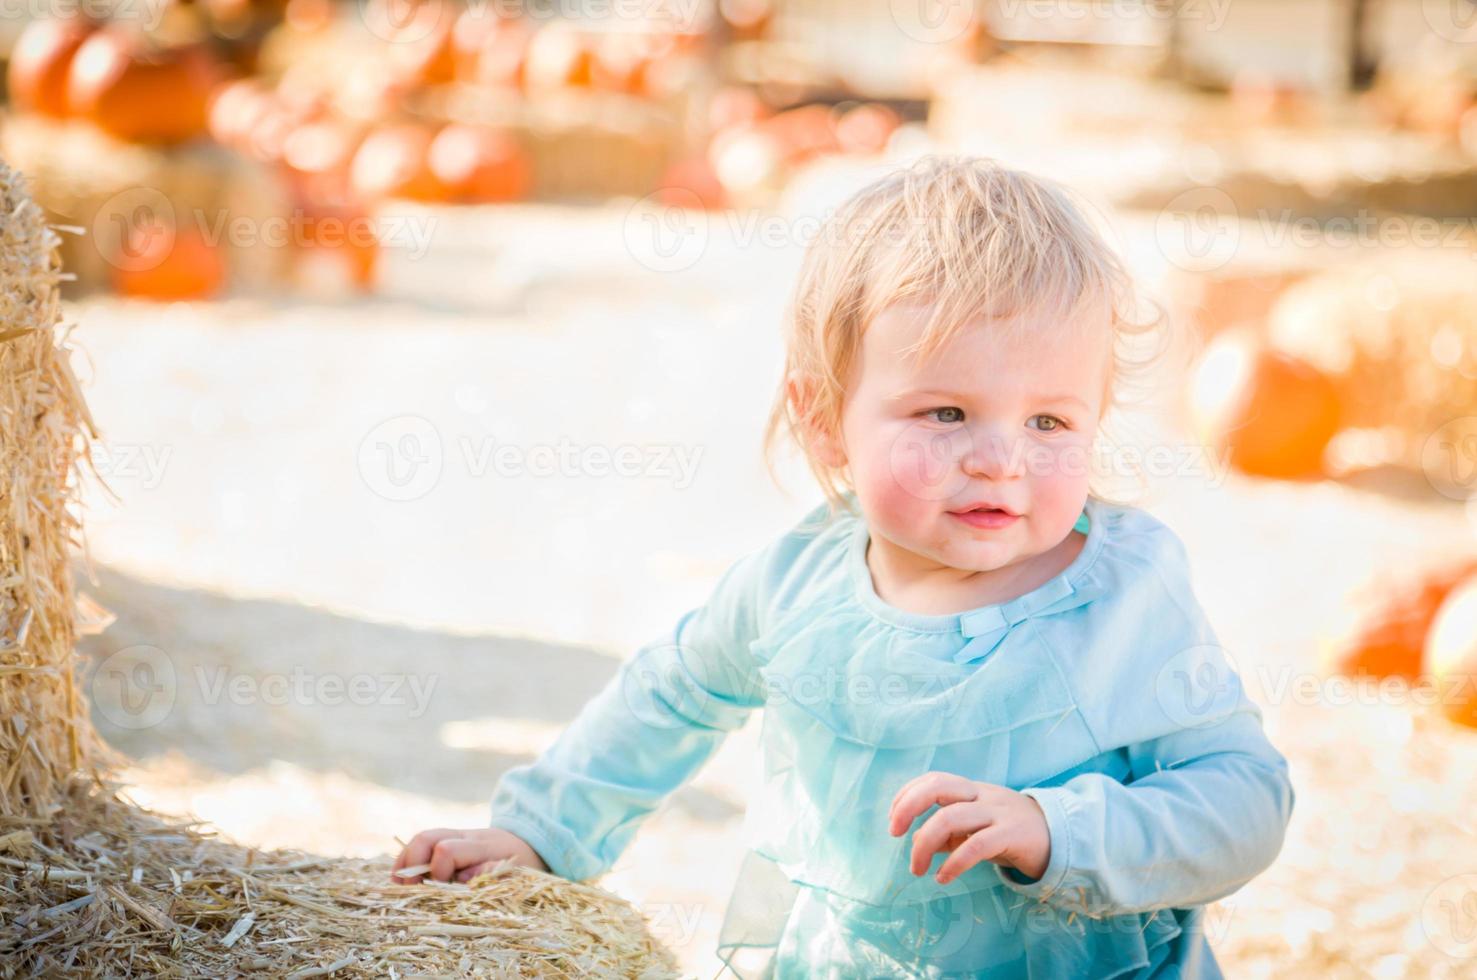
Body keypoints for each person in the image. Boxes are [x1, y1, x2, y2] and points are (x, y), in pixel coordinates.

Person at [391, 155, 1295, 978]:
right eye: (944, 413)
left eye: (1048, 422)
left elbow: (1244, 799)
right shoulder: (797, 583)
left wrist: (1056, 828)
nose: (998, 459)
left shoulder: (1122, 598)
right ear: (825, 417)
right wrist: (537, 833)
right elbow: (667, 698)